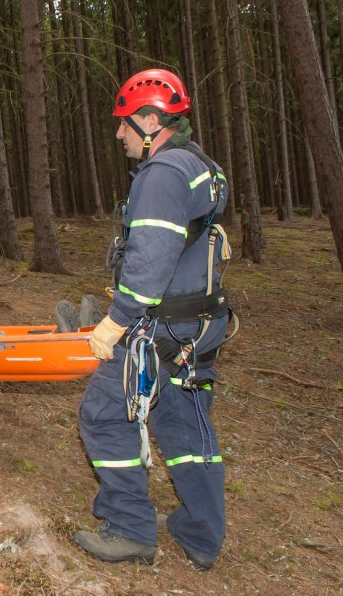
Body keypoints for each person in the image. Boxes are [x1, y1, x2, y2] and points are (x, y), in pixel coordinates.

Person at [75, 69, 232, 571]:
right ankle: (202, 534)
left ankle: (129, 530)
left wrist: (115, 322)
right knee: (184, 424)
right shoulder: (198, 164)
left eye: (124, 124)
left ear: (149, 121)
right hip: (195, 322)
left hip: (158, 325)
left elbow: (149, 261)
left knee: (103, 414)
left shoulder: (162, 175)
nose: (118, 133)